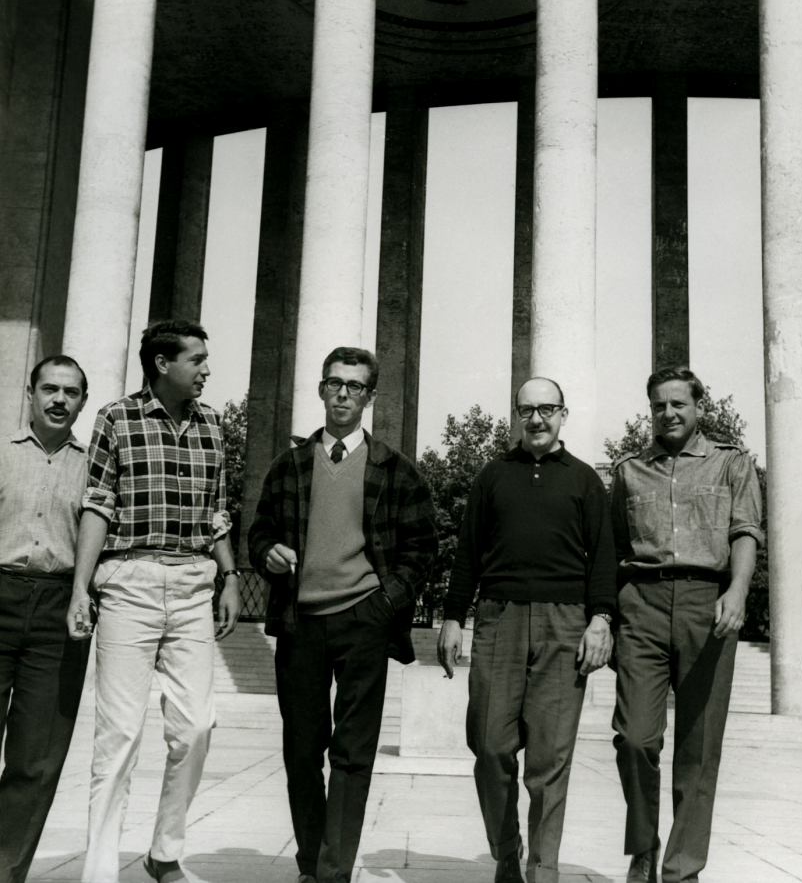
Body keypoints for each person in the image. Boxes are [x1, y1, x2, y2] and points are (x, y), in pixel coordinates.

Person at [248, 346, 437, 883]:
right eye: (335, 383)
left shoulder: (396, 471)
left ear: (371, 397)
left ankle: (333, 871)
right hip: (299, 623)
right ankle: (311, 862)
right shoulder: (290, 467)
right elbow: (258, 533)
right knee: (302, 750)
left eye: (356, 387)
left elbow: (422, 548)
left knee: (352, 753)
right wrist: (267, 554)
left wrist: (384, 604)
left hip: (363, 621)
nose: (344, 395)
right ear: (321, 389)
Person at [66, 319, 241, 883]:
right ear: (163, 364)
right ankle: (98, 870)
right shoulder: (115, 418)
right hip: (128, 583)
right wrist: (80, 590)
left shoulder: (214, 424)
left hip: (193, 584)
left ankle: (164, 851)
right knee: (118, 734)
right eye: (197, 360)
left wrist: (230, 576)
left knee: (196, 726)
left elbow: (217, 510)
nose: (207, 370)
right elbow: (96, 504)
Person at [438, 377, 617, 883]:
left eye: (547, 409)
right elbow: (468, 552)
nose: (536, 419)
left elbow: (603, 557)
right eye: (526, 410)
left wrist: (601, 619)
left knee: (549, 759)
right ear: (517, 416)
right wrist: (453, 616)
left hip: (566, 623)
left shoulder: (584, 480)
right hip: (499, 617)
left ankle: (543, 870)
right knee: (491, 745)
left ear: (564, 415)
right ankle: (505, 850)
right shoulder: (492, 476)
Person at [610, 366, 762, 883]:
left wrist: (737, 592)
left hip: (709, 604)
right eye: (659, 405)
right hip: (643, 605)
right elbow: (613, 547)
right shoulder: (629, 470)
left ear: (699, 407)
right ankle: (643, 847)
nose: (668, 413)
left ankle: (682, 868)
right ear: (649, 409)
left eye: (678, 403)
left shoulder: (732, 464)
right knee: (634, 737)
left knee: (698, 746)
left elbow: (746, 530)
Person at [0, 356, 90, 883]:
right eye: (50, 389)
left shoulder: (95, 465)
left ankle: (7, 871)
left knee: (36, 760)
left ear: (82, 401)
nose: (59, 400)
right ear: (30, 393)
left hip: (57, 609)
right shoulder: (2, 453)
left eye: (71, 392)